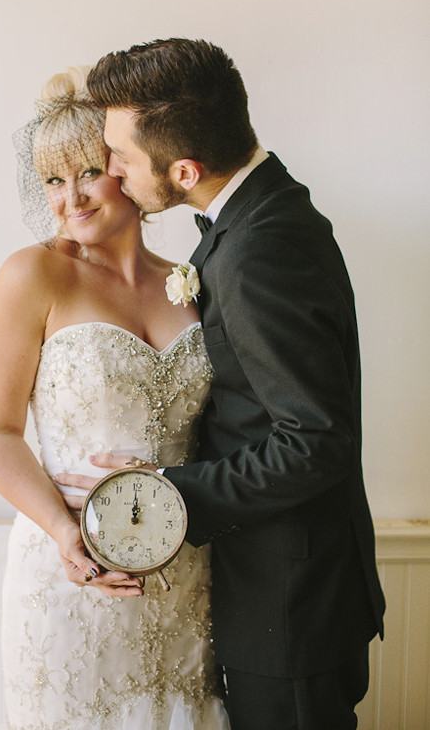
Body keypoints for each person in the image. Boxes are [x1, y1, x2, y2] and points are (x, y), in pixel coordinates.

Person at [57, 40, 386, 730]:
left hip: (291, 600)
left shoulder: (260, 249)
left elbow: (316, 442)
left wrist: (168, 495)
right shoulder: (255, 220)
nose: (111, 173)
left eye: (119, 156)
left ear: (184, 169)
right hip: (273, 586)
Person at [0, 65, 230, 730]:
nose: (69, 198)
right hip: (68, 576)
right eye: (52, 180)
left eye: (87, 171)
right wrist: (66, 536)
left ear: (126, 169)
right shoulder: (31, 275)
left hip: (183, 575)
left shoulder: (193, 282)